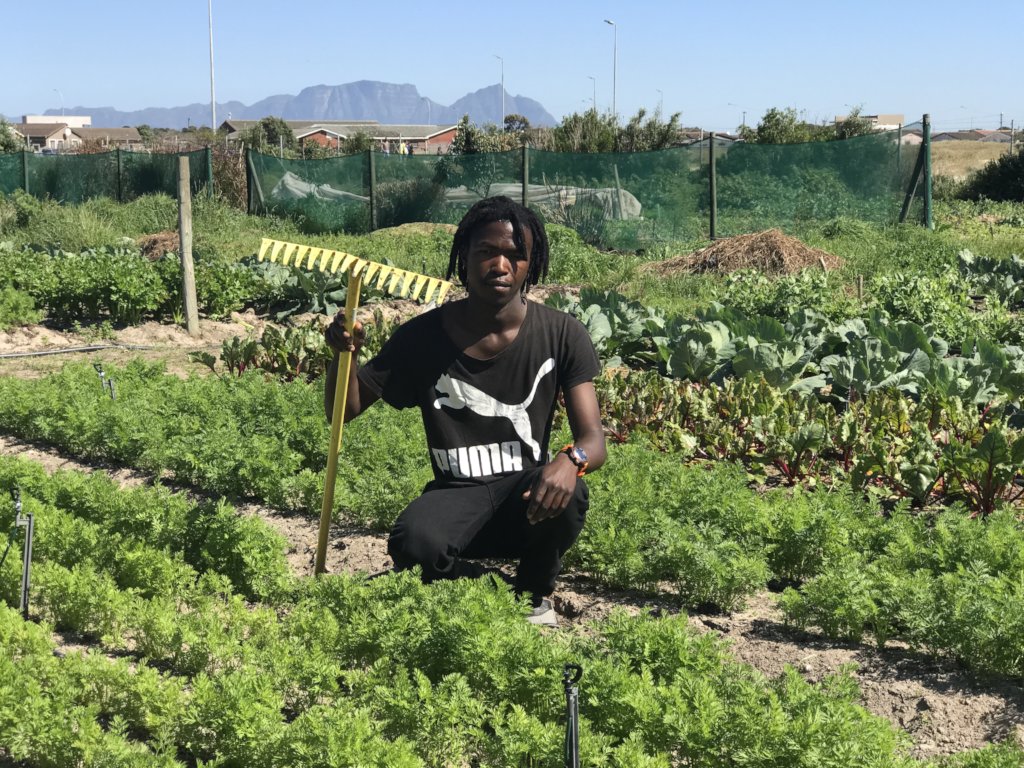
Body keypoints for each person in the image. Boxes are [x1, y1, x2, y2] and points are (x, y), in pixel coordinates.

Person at [324, 196, 606, 626]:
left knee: (570, 494)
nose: (500, 265)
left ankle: (533, 591)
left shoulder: (561, 334)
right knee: (412, 544)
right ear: (463, 258)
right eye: (486, 252)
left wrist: (571, 461)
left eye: (515, 256)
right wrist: (342, 358)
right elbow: (342, 411)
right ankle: (493, 589)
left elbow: (594, 441)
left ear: (531, 266)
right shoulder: (422, 337)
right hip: (456, 495)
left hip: (525, 499)